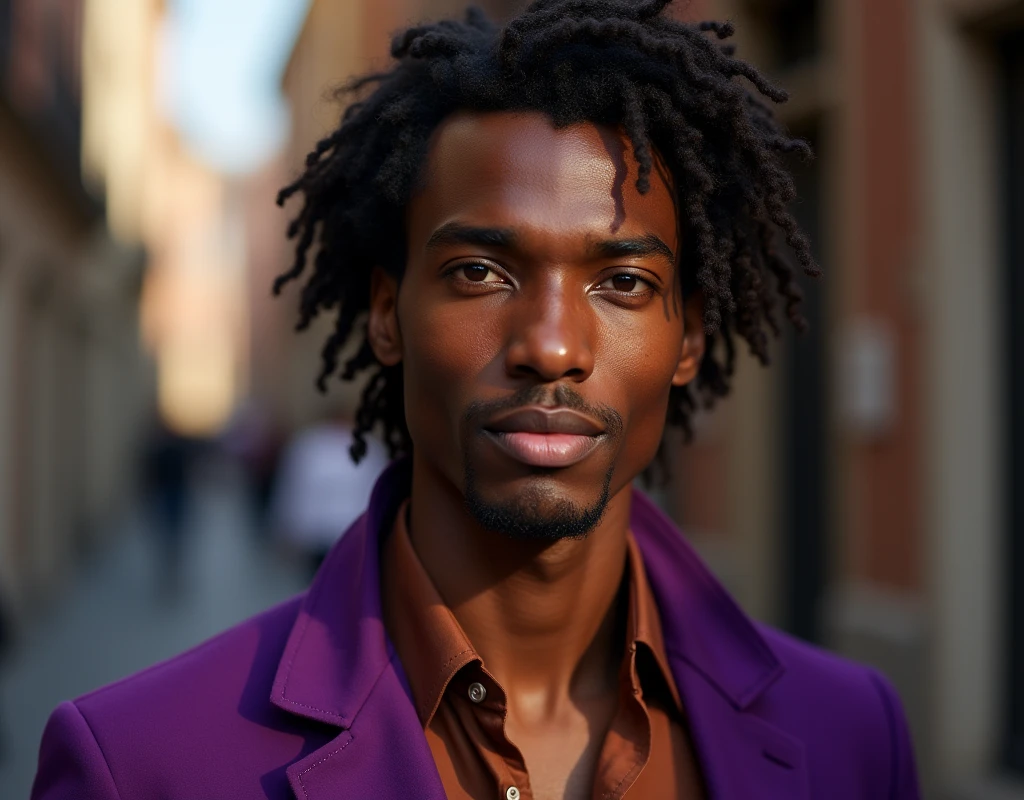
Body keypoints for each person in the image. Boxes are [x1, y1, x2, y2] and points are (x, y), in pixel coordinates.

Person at [31, 2, 920, 798]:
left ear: (688, 339)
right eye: (481, 272)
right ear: (389, 315)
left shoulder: (852, 738)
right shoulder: (141, 765)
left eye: (622, 283)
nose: (551, 347)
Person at [268, 411, 389, 578]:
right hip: (324, 533)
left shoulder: (369, 449)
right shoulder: (311, 446)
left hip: (347, 532)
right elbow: (296, 487)